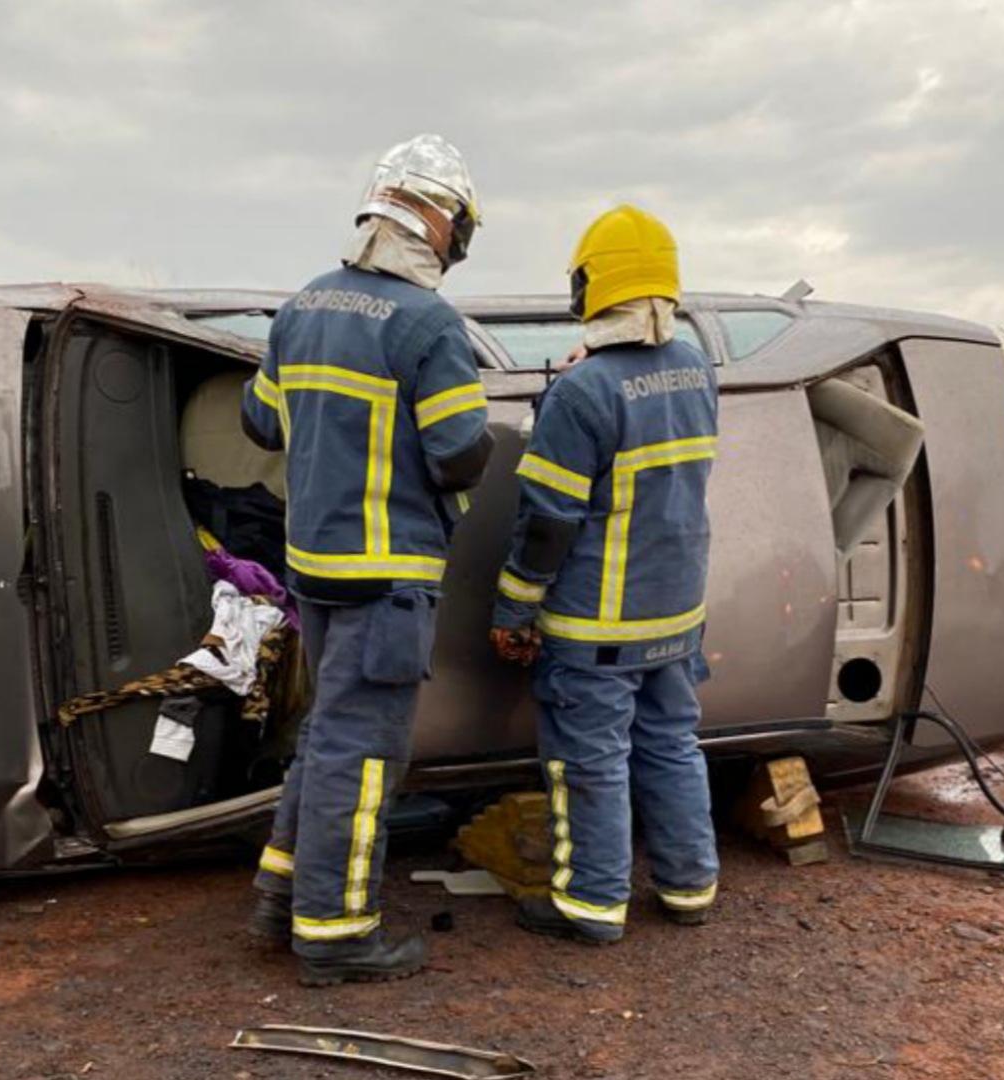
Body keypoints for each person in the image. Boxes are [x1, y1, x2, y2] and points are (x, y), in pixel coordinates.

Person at [242, 134, 493, 986]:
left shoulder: (303, 306)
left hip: (314, 567)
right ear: (433, 218)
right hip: (388, 577)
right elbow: (460, 451)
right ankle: (338, 932)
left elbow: (261, 422)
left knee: (325, 738)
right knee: (363, 754)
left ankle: (279, 900)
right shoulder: (427, 324)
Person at [490, 205, 720, 944]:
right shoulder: (695, 371)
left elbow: (547, 519)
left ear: (589, 286)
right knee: (671, 746)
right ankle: (689, 887)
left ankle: (590, 905)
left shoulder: (582, 393)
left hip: (595, 627)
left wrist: (513, 605)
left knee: (588, 763)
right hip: (676, 617)